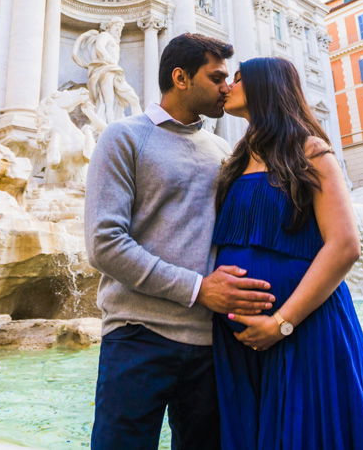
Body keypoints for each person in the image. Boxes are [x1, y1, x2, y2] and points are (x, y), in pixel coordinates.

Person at [85, 34, 276, 450]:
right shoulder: (123, 137)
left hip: (212, 344)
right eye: (217, 76)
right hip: (137, 336)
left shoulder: (223, 149)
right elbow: (104, 243)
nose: (227, 86)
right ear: (180, 77)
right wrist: (199, 289)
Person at [213, 57, 363, 449]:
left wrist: (280, 323)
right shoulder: (237, 160)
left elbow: (344, 245)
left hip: (304, 330)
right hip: (239, 344)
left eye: (238, 80)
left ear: (265, 88)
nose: (227, 86)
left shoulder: (310, 151)